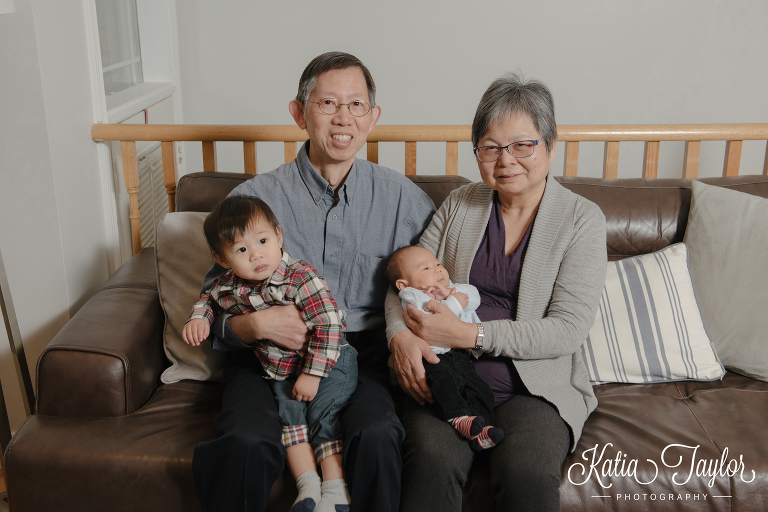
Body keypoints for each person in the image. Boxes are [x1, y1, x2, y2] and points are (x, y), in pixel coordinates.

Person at [191, 52, 436, 512]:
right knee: (244, 442)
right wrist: (256, 326)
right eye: (328, 103)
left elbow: (435, 281)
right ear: (299, 113)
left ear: (373, 117)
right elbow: (214, 302)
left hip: (359, 355)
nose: (343, 118)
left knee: (378, 435)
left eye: (356, 105)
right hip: (262, 358)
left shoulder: (402, 198)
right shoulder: (252, 200)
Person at [386, 73, 607, 512]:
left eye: (521, 145)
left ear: (550, 145)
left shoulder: (582, 220)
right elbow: (401, 288)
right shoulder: (459, 204)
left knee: (526, 477)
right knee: (429, 464)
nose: (505, 160)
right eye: (490, 147)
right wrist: (401, 336)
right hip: (447, 379)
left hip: (534, 388)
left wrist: (471, 336)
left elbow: (566, 330)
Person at [182, 195, 356, 512]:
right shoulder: (228, 285)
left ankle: (335, 494)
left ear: (278, 235)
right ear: (221, 258)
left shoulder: (301, 277)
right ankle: (308, 489)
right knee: (291, 423)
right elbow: (208, 298)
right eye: (241, 250)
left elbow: (329, 325)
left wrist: (313, 374)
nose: (257, 255)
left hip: (329, 361)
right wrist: (199, 318)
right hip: (279, 369)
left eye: (262, 241)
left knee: (323, 418)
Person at [385, 245, 503, 452]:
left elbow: (474, 297)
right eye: (425, 269)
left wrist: (451, 293)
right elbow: (433, 322)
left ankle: (483, 427)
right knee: (445, 384)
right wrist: (454, 304)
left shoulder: (450, 287)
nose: (438, 270)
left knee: (478, 387)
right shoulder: (412, 297)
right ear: (403, 284)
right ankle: (458, 418)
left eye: (438, 264)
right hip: (431, 356)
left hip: (458, 352)